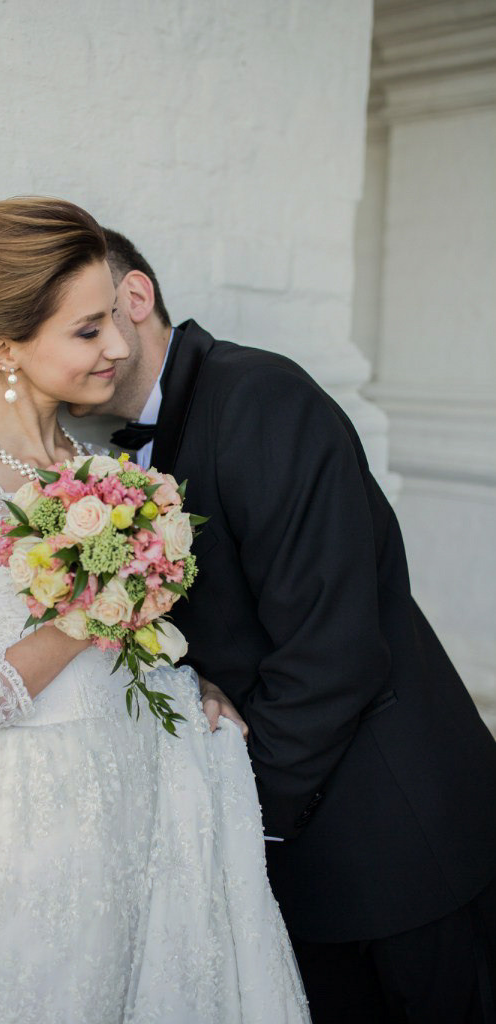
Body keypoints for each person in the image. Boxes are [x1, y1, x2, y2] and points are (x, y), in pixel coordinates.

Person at [0, 198, 310, 1024]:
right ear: (5, 350)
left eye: (113, 316)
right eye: (86, 330)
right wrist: (77, 624)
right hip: (29, 830)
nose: (118, 345)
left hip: (151, 803)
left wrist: (190, 682)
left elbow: (135, 644)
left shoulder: (112, 467)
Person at [68, 227, 496, 1024]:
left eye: (83, 326)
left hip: (395, 838)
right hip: (318, 863)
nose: (68, 354)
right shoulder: (128, 452)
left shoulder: (260, 396)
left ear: (134, 298)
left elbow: (332, 653)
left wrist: (237, 816)